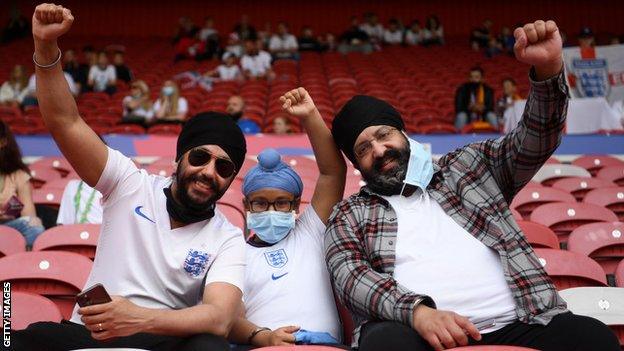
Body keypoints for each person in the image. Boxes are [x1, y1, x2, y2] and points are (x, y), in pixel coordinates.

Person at [325, 20, 621, 351]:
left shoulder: (469, 167)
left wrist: (548, 70)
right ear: (356, 164)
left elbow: (536, 140)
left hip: (520, 320)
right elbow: (351, 277)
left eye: (384, 135)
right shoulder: (349, 213)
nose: (379, 151)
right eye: (363, 149)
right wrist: (418, 313)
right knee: (384, 343)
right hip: (416, 332)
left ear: (404, 135)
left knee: (593, 338)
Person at [13, 5, 248, 350]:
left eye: (224, 167)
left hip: (160, 340)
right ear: (180, 158)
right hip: (90, 334)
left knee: (210, 346)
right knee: (9, 338)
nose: (209, 172)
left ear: (230, 180)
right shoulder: (130, 183)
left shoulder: (227, 237)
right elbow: (66, 123)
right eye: (200, 157)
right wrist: (45, 47)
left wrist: (138, 317)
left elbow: (220, 317)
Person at [228, 87, 346, 349]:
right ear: (246, 205)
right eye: (260, 203)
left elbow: (333, 172)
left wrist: (310, 116)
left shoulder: (311, 231)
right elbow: (228, 318)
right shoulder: (233, 253)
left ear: (295, 205)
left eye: (281, 203)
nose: (271, 210)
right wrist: (266, 337)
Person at [0, 120, 44, 247]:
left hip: (8, 227)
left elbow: (29, 215)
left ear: (3, 142)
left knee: (33, 226)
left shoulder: (18, 175)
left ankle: (23, 261)